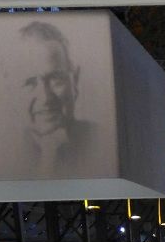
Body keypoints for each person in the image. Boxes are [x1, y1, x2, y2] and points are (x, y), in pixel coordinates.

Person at [10, 20, 102, 178]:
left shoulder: (102, 141)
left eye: (56, 79)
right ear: (11, 91)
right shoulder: (4, 153)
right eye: (30, 82)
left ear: (75, 81)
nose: (46, 98)